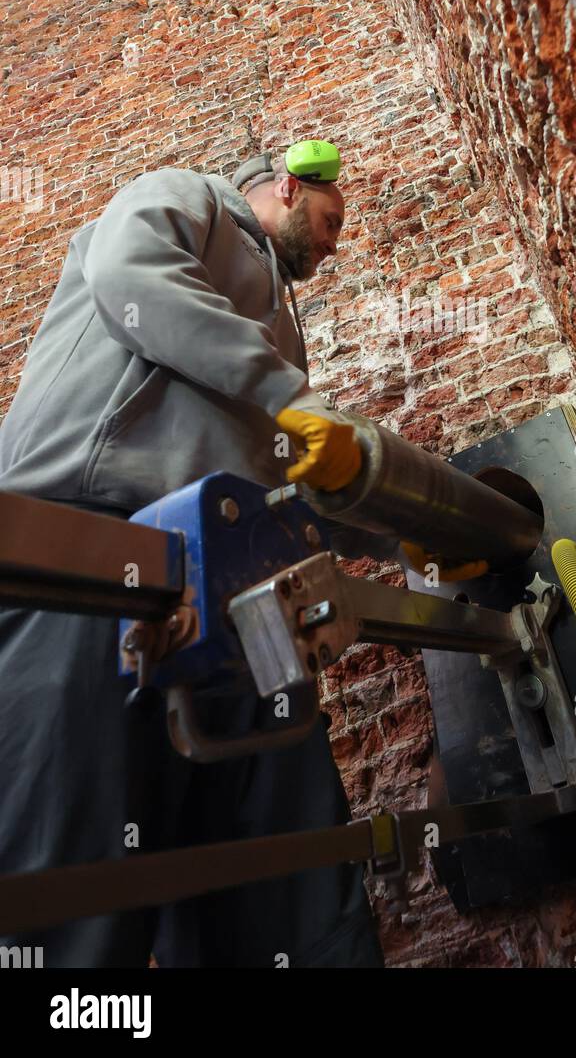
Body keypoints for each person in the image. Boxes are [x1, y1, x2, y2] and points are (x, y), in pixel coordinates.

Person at [0, 140, 385, 967]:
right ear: (287, 184)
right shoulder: (188, 199)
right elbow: (130, 278)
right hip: (93, 551)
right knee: (74, 892)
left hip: (236, 595)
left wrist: (406, 541)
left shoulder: (278, 334)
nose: (334, 240)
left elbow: (289, 474)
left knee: (286, 896)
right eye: (330, 217)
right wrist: (288, 394)